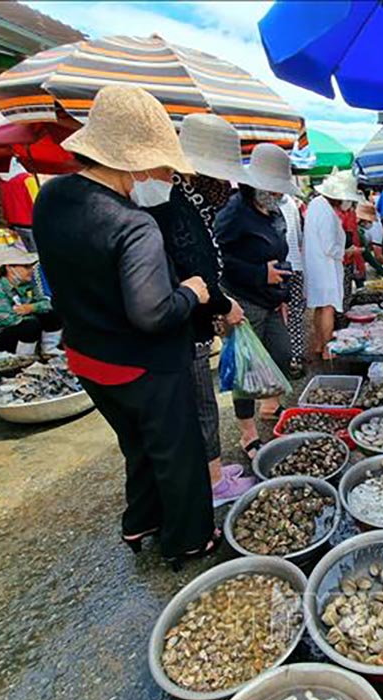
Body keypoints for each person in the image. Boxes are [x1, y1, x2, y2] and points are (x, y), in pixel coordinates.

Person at [32, 85, 217, 567]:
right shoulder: (132, 223)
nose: (160, 174)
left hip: (87, 357)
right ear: (132, 160)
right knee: (177, 452)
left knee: (136, 446)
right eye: (158, 163)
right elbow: (151, 312)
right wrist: (191, 293)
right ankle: (189, 540)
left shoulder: (51, 198)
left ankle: (141, 523)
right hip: (143, 365)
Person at [141, 113, 253, 506]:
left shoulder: (180, 195)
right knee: (201, 402)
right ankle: (214, 482)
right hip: (184, 324)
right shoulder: (173, 201)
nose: (225, 184)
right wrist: (224, 305)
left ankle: (214, 470)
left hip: (190, 317)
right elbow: (195, 267)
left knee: (199, 398)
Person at [214, 143, 300, 459]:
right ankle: (248, 434)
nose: (279, 195)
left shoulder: (274, 212)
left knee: (281, 353)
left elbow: (280, 255)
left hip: (272, 299)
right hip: (244, 300)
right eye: (274, 188)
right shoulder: (234, 213)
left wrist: (282, 296)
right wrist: (258, 274)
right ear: (256, 184)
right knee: (246, 369)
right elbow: (218, 260)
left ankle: (270, 406)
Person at [304, 170, 362, 358]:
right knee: (328, 307)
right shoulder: (327, 213)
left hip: (316, 264)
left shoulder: (315, 204)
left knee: (319, 306)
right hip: (325, 266)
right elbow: (330, 247)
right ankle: (328, 348)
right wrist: (348, 251)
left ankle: (319, 344)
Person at [0, 246, 62, 355]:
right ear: (9, 268)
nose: (31, 270)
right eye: (26, 267)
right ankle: (25, 357)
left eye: (31, 266)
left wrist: (31, 308)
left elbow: (48, 303)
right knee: (31, 325)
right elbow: (10, 319)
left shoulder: (28, 284)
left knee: (53, 314)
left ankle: (49, 350)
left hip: (23, 324)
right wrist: (34, 310)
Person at [280, 193, 306, 376]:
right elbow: (298, 237)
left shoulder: (266, 203)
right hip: (295, 264)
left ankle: (289, 360)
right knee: (295, 315)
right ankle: (296, 356)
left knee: (282, 317)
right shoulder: (290, 201)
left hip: (281, 266)